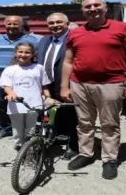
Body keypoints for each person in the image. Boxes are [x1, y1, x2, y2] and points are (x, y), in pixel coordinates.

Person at [61, 0, 126, 180]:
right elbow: (68, 61)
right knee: (84, 122)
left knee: (109, 124)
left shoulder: (122, 28)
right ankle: (86, 153)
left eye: (97, 5)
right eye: (88, 6)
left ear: (105, 8)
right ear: (83, 11)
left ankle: (109, 159)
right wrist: (65, 87)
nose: (92, 8)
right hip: (79, 84)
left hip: (111, 83)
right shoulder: (75, 32)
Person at [37, 12, 79, 159]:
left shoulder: (74, 38)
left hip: (68, 84)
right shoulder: (44, 40)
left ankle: (73, 145)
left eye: (59, 22)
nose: (55, 25)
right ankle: (59, 137)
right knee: (54, 113)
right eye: (51, 23)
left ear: (67, 24)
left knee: (71, 116)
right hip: (48, 84)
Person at [0, 15, 38, 140]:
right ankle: (6, 128)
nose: (12, 26)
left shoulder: (32, 40)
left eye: (15, 24)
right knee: (0, 104)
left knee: (23, 104)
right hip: (0, 79)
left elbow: (37, 58)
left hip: (22, 80)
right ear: (4, 25)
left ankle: (24, 131)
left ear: (21, 25)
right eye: (9, 24)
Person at [0, 43, 53, 150]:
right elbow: (6, 86)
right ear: (15, 53)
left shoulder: (38, 68)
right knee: (17, 130)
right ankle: (19, 150)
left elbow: (44, 86)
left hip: (34, 103)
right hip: (16, 104)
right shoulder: (10, 70)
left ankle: (31, 150)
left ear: (32, 54)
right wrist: (10, 93)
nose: (23, 54)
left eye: (27, 52)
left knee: (32, 129)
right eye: (20, 52)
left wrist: (48, 96)